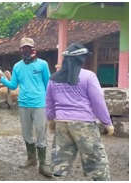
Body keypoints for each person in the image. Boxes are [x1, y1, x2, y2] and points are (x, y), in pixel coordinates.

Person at [46, 43, 114, 181]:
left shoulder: (54, 78)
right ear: (81, 60)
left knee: (60, 162)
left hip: (62, 124)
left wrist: (51, 120)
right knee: (95, 162)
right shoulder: (89, 76)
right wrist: (107, 123)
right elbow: (97, 101)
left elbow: (49, 102)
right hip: (84, 125)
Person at [0, 37, 52, 177]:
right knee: (26, 132)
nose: (26, 50)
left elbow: (48, 84)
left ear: (33, 48)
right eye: (23, 48)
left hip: (39, 103)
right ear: (20, 50)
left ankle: (43, 164)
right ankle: (31, 159)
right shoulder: (17, 66)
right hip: (23, 103)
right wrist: (1, 78)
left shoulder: (42, 65)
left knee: (41, 131)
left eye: (28, 47)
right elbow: (13, 85)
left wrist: (49, 102)